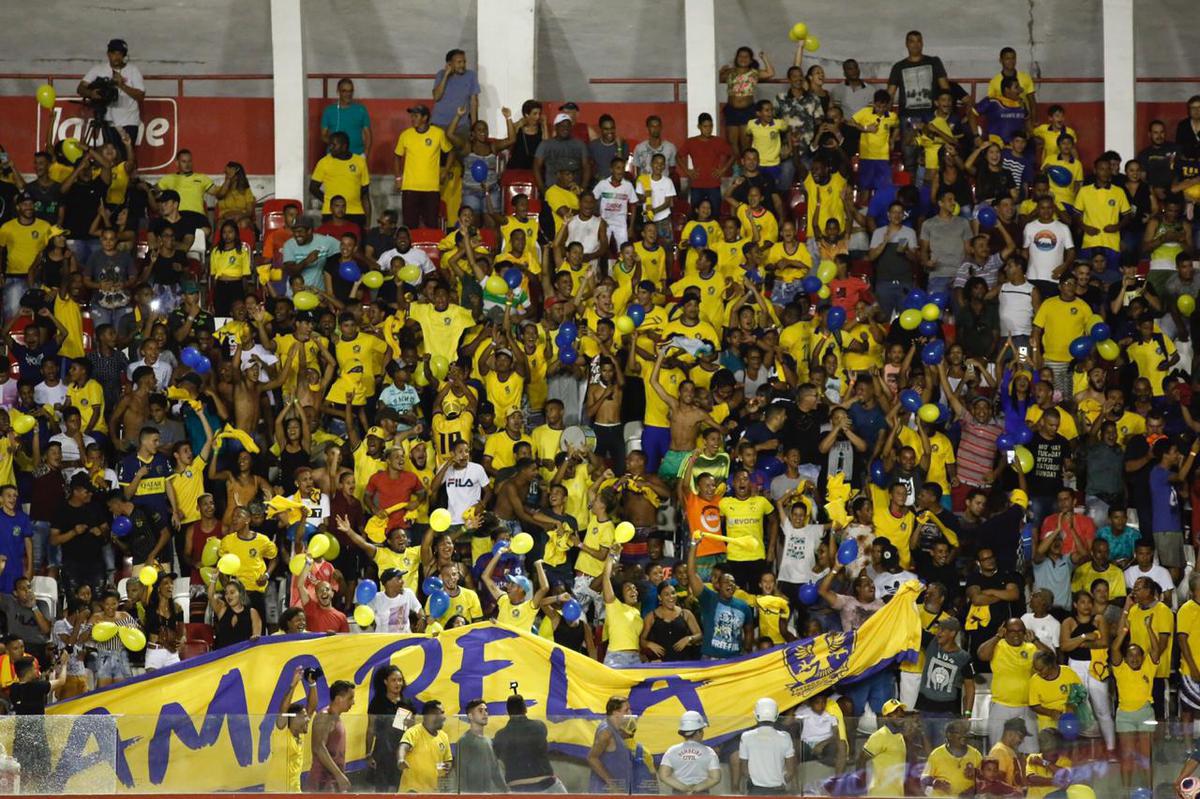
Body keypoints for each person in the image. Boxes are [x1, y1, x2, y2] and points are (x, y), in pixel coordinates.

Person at [393, 104, 452, 229]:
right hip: (410, 188)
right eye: (412, 116)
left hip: (431, 189)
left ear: (425, 118)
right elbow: (397, 156)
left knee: (431, 224)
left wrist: (446, 171)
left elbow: (451, 151)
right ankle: (411, 249)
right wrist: (398, 178)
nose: (412, 118)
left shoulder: (438, 134)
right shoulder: (406, 135)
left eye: (416, 116)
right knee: (410, 225)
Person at [493, 692, 564, 792]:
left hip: (516, 788)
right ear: (525, 709)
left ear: (508, 711)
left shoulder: (500, 735)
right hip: (544, 784)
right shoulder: (539, 726)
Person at [78, 39, 145, 143]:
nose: (117, 57)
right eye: (114, 53)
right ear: (108, 54)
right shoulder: (98, 69)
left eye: (120, 54)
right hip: (107, 121)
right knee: (110, 156)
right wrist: (91, 93)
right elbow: (80, 88)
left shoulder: (133, 70)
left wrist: (121, 85)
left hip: (129, 121)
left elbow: (141, 96)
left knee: (127, 155)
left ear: (124, 56)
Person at [366, 664, 414, 792]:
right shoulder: (377, 702)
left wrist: (410, 724)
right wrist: (368, 754)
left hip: (400, 753)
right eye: (393, 680)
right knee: (381, 790)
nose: (397, 683)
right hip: (381, 752)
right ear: (385, 682)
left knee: (399, 789)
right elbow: (370, 729)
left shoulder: (407, 703)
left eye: (400, 680)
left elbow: (412, 730)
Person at [731, 697, 794, 794]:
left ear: (755, 715)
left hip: (755, 791)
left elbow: (744, 769)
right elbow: (790, 772)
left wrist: (758, 782)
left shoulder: (746, 737)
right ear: (776, 715)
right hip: (778, 791)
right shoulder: (785, 737)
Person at [273, 666, 319, 794]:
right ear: (293, 719)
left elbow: (312, 707)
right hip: (276, 792)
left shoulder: (300, 733)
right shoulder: (282, 731)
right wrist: (293, 685)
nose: (307, 719)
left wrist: (312, 684)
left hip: (295, 791)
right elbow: (283, 710)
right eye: (304, 717)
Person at [658, 711, 721, 794]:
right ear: (698, 732)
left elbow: (663, 775)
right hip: (702, 793)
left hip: (679, 793)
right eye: (702, 730)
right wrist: (695, 789)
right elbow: (715, 777)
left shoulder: (672, 751)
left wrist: (685, 788)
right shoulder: (709, 752)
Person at [398, 700, 453, 793]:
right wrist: (401, 759)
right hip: (411, 791)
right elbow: (403, 747)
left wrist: (447, 766)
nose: (444, 717)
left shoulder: (444, 736)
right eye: (441, 713)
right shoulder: (414, 732)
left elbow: (447, 761)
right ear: (430, 715)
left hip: (432, 791)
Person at [310, 679, 354, 792]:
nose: (353, 702)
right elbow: (319, 748)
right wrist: (339, 775)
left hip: (333, 782)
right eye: (350, 698)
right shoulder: (325, 716)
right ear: (339, 699)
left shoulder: (335, 717)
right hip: (322, 783)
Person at [859, 698, 909, 797]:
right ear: (886, 717)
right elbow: (861, 760)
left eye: (901, 711)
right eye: (895, 712)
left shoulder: (899, 735)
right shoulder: (880, 735)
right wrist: (861, 786)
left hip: (896, 793)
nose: (900, 715)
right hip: (880, 793)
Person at [457, 698, 507, 793]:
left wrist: (506, 791)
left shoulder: (488, 741)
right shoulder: (464, 742)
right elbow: (461, 776)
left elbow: (495, 770)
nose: (485, 713)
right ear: (470, 716)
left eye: (486, 710)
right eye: (480, 711)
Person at [321, 78, 372, 156]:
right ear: (338, 92)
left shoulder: (361, 110)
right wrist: (336, 144)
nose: (348, 94)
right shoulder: (329, 111)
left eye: (350, 91)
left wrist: (365, 155)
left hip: (356, 155)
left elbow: (368, 135)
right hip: (334, 156)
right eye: (344, 91)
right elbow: (323, 135)